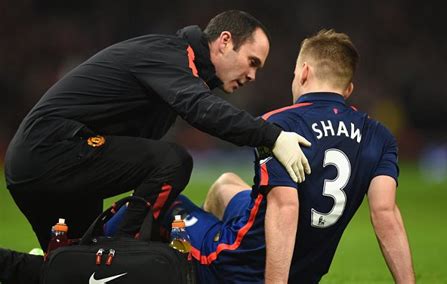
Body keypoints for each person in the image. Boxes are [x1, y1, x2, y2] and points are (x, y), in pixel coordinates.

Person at [3, 10, 311, 252]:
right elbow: (203, 110)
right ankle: (123, 252)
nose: (253, 75)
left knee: (73, 264)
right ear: (225, 41)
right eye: (252, 62)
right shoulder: (171, 55)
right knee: (173, 161)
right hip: (52, 150)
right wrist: (271, 135)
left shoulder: (175, 64)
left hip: (44, 157)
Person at [166, 29, 415, 283]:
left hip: (242, 269)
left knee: (170, 207)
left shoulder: (278, 125)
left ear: (304, 72)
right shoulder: (378, 135)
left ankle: (184, 269)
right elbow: (385, 213)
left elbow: (285, 207)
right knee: (224, 185)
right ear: (347, 89)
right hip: (303, 273)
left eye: (295, 75)